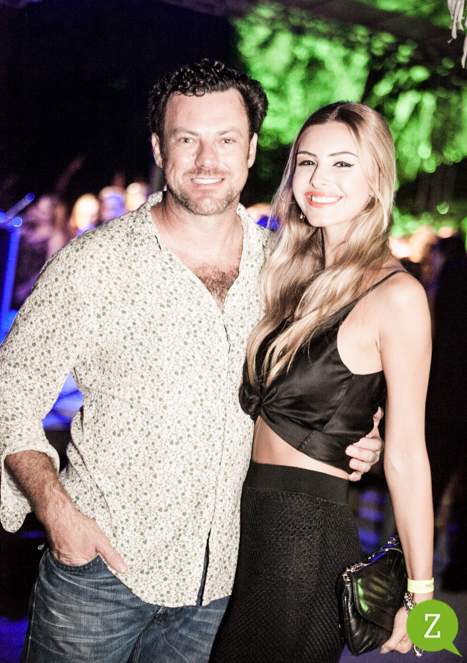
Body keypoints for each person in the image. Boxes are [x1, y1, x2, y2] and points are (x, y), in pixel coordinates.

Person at [0, 61, 381, 663]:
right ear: (159, 148)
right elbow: (9, 397)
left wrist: (356, 432)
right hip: (99, 573)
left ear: (251, 150)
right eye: (187, 139)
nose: (207, 160)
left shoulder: (287, 269)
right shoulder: (94, 263)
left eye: (226, 139)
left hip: (225, 581)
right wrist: (57, 513)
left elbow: (320, 383)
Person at [211, 102, 433, 663]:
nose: (318, 179)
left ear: (376, 180)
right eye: (307, 162)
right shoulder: (294, 273)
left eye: (342, 164)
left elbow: (407, 453)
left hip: (302, 535)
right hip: (253, 519)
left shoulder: (397, 297)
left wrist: (420, 590)